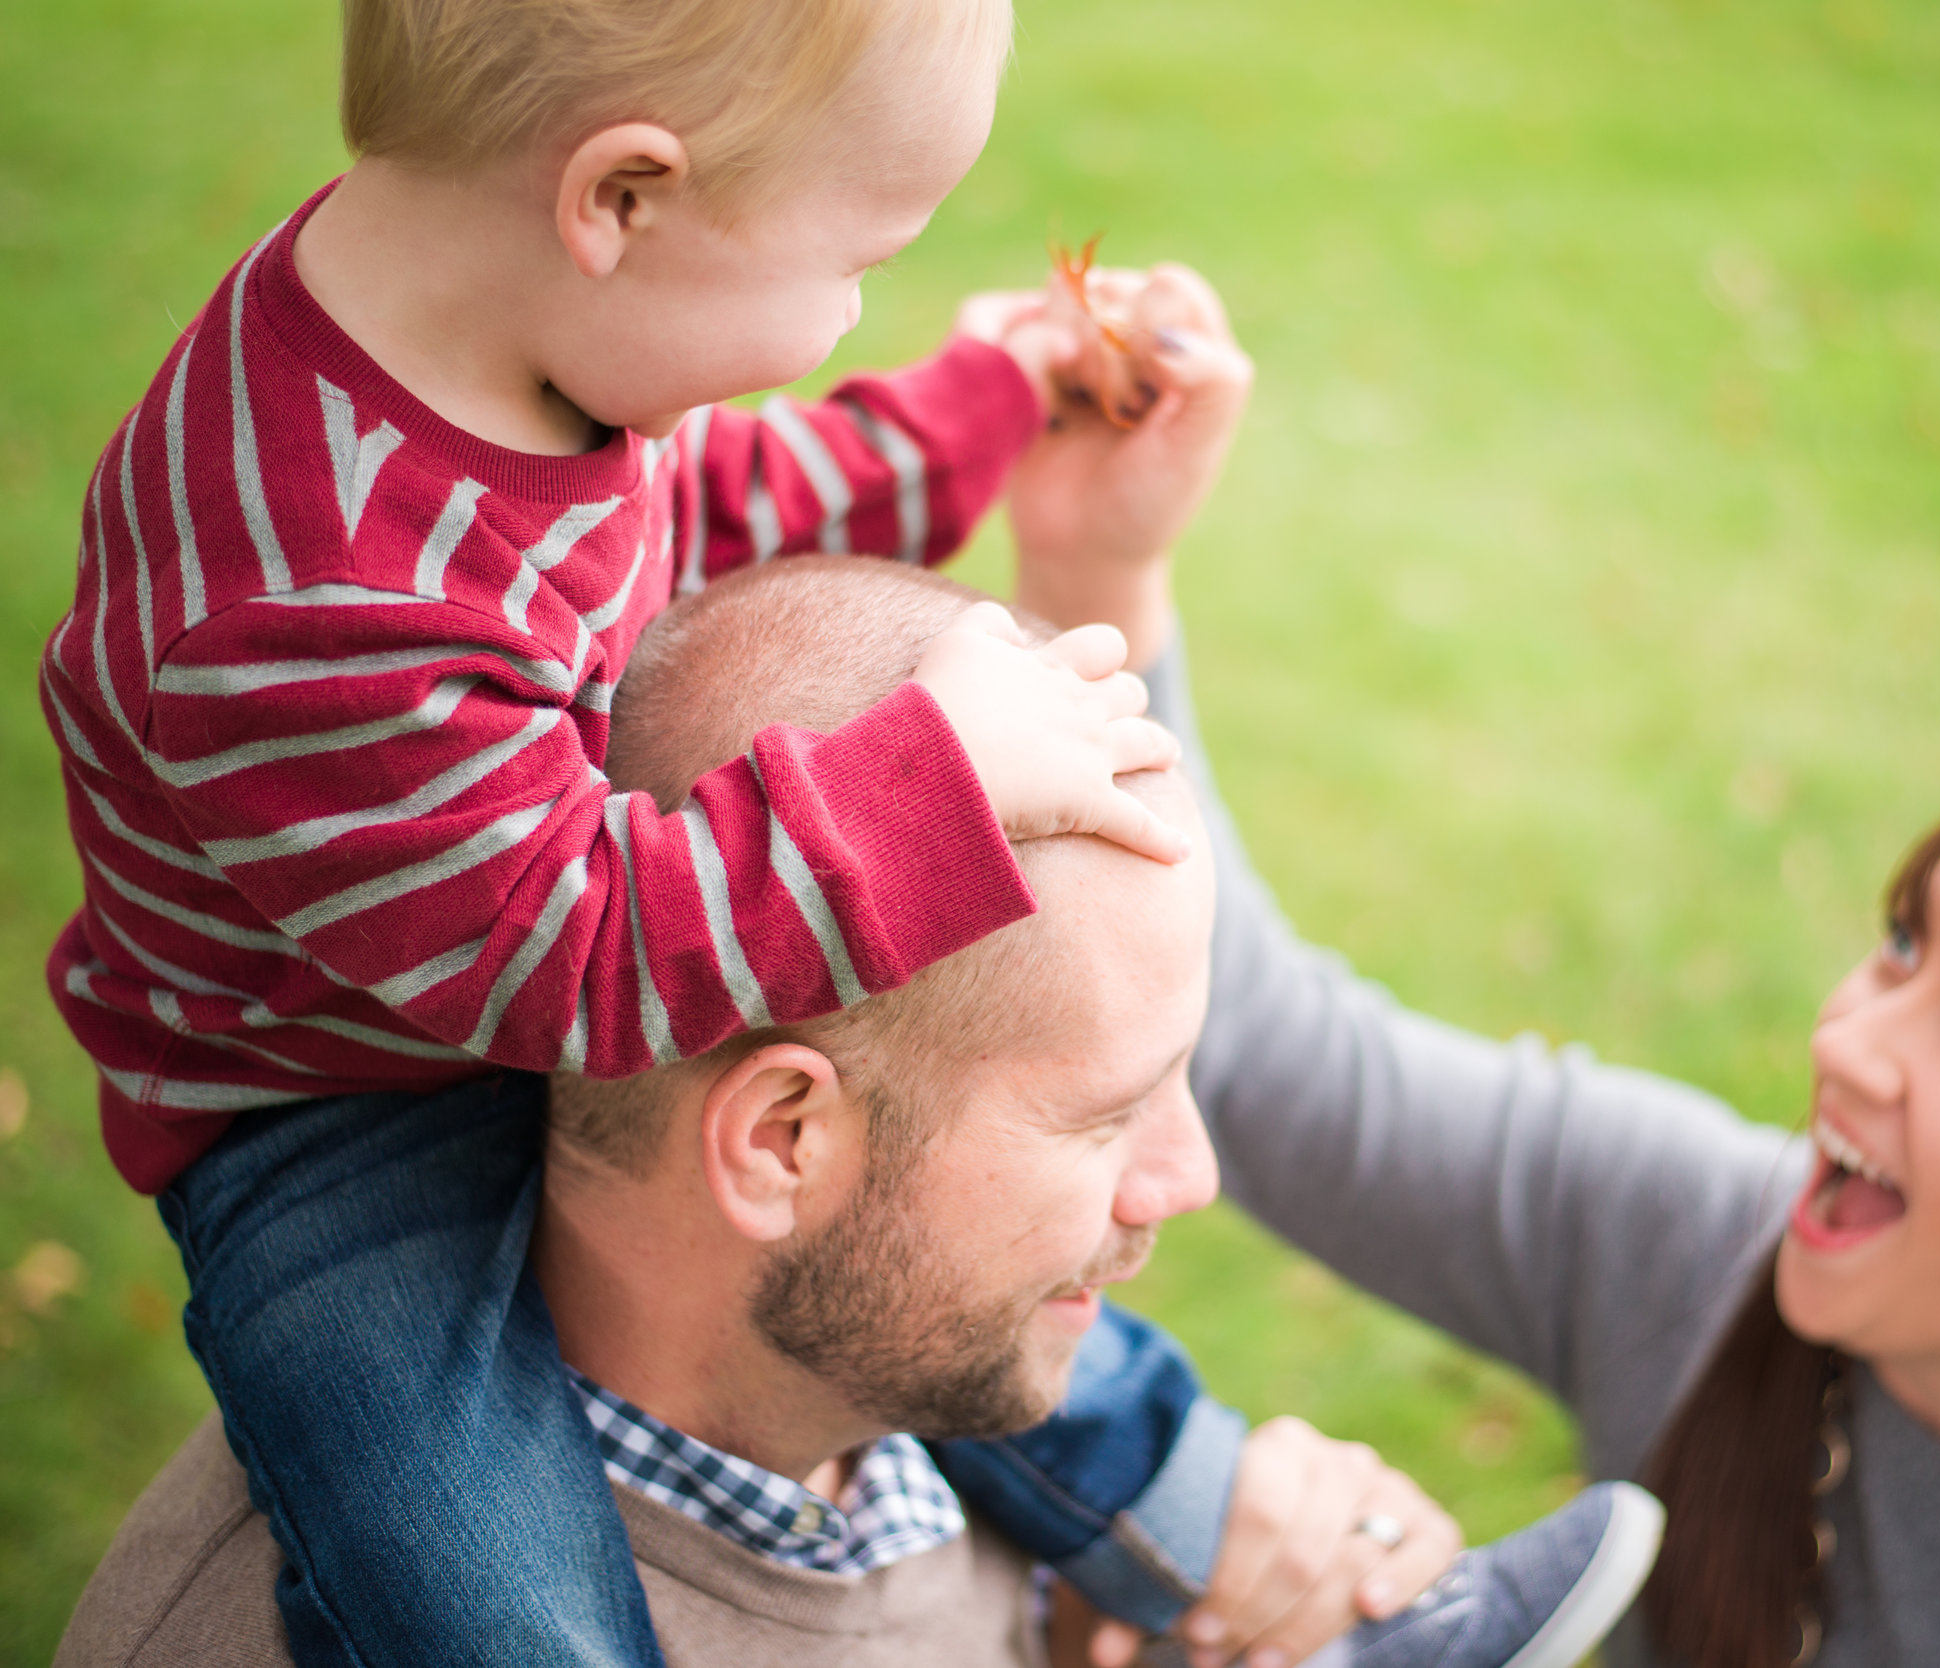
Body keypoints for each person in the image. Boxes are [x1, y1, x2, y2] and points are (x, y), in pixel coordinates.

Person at [32, 0, 1336, 1662]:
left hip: (512, 933)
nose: (856, 305)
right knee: (456, 1541)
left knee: (952, 1232)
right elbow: (573, 953)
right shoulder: (311, 602)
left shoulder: (500, 344)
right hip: (325, 1095)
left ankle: (1239, 1541)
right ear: (622, 201)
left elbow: (709, 506)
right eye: (858, 256)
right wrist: (933, 778)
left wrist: (987, 402)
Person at [56, 555, 1669, 1668]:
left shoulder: (904, 1402)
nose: (1192, 1175)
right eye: (1107, 1116)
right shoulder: (305, 1622)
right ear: (779, 1142)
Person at [1018, 488, 1940, 1667]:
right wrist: (1105, 573)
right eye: (1905, 949)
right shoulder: (1690, 1241)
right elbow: (1287, 1070)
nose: (1849, 1043)